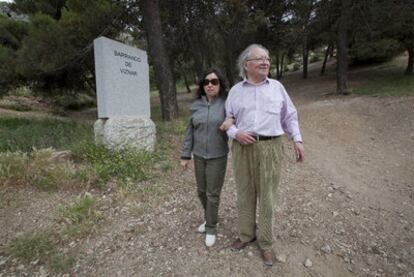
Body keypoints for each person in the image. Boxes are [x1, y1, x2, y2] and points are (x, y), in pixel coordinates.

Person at [225, 44, 304, 266]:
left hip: (271, 147)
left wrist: (297, 139)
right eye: (260, 58)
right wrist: (235, 132)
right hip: (242, 147)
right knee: (244, 193)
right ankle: (245, 235)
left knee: (268, 196)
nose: (265, 62)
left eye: (267, 58)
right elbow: (228, 118)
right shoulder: (235, 91)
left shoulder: (277, 87)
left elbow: (290, 116)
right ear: (246, 65)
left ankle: (266, 242)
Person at [180, 68, 229, 247]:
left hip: (218, 155)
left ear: (220, 85)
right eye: (206, 82)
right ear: (202, 85)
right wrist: (185, 155)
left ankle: (211, 227)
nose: (210, 85)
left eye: (214, 82)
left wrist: (231, 122)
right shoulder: (195, 106)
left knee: (212, 193)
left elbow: (238, 121)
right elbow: (189, 132)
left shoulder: (227, 104)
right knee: (201, 191)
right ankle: (212, 217)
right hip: (199, 155)